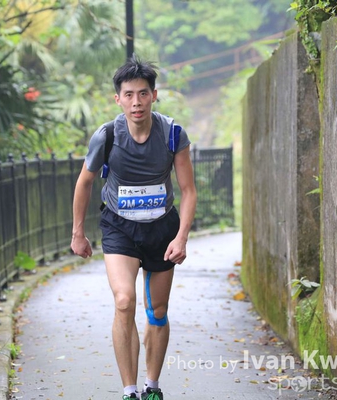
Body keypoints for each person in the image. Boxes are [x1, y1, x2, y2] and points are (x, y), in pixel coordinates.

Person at [71, 55, 197, 400]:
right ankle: (129, 391)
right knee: (124, 301)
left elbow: (188, 190)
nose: (136, 102)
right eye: (129, 95)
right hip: (120, 227)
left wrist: (181, 237)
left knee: (157, 311)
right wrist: (78, 233)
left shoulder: (172, 134)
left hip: (162, 229)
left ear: (154, 95)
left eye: (143, 94)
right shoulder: (107, 136)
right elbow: (84, 183)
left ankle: (152, 387)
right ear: (118, 99)